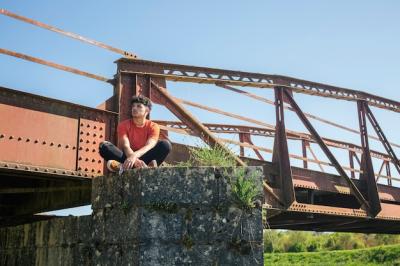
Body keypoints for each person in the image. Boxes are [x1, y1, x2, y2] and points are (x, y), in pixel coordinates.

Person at [99, 95, 172, 173]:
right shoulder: (123, 125)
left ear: (147, 110)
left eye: (139, 106)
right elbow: (126, 146)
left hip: (144, 159)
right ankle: (143, 169)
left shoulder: (153, 126)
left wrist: (134, 156)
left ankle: (122, 168)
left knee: (165, 145)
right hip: (127, 157)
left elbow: (149, 146)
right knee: (104, 146)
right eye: (133, 106)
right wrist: (133, 158)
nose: (134, 108)